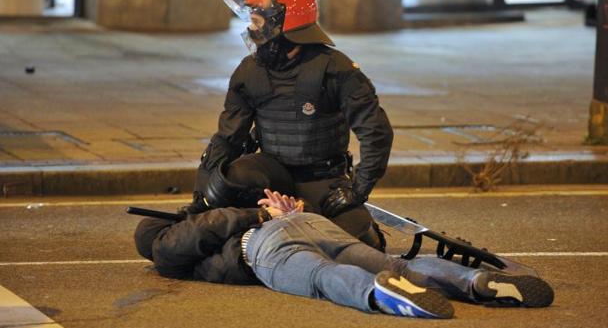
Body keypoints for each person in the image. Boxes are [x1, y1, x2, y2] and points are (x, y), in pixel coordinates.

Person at [134, 158, 554, 319]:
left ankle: (380, 296)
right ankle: (473, 282)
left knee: (320, 276)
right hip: (307, 224)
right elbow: (186, 237)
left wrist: (262, 214)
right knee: (397, 265)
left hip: (266, 245)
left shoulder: (177, 240)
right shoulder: (183, 235)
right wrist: (285, 213)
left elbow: (182, 240)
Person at [190, 0, 394, 250]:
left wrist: (357, 190)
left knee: (356, 246)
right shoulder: (249, 72)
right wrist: (203, 196)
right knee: (232, 178)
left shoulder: (335, 69)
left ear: (284, 24)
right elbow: (227, 138)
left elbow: (376, 131)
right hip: (270, 177)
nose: (251, 30)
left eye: (257, 22)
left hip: (321, 179)